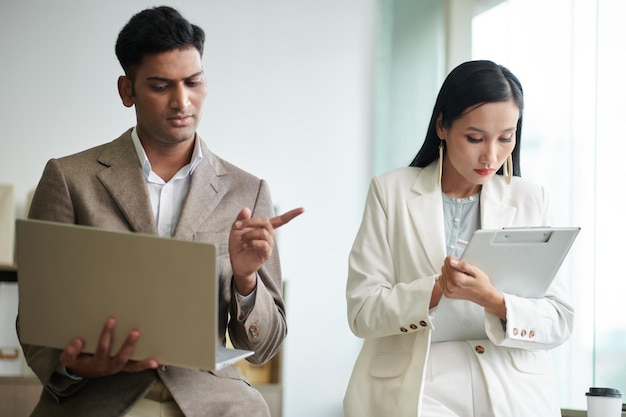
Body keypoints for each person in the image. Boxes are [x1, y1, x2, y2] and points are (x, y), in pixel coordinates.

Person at [17, 6, 303, 417]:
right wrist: (73, 367)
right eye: (160, 85)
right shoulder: (69, 179)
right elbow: (37, 320)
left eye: (193, 82)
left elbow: (264, 347)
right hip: (99, 396)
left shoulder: (247, 191)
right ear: (127, 90)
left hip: (210, 400)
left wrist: (245, 279)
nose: (181, 101)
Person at [343, 60, 574, 417]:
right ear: (442, 126)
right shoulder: (391, 192)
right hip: (417, 384)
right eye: (475, 138)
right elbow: (361, 312)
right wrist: (436, 289)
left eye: (506, 138)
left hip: (513, 391)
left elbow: (559, 320)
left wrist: (494, 300)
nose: (491, 155)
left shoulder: (532, 200)